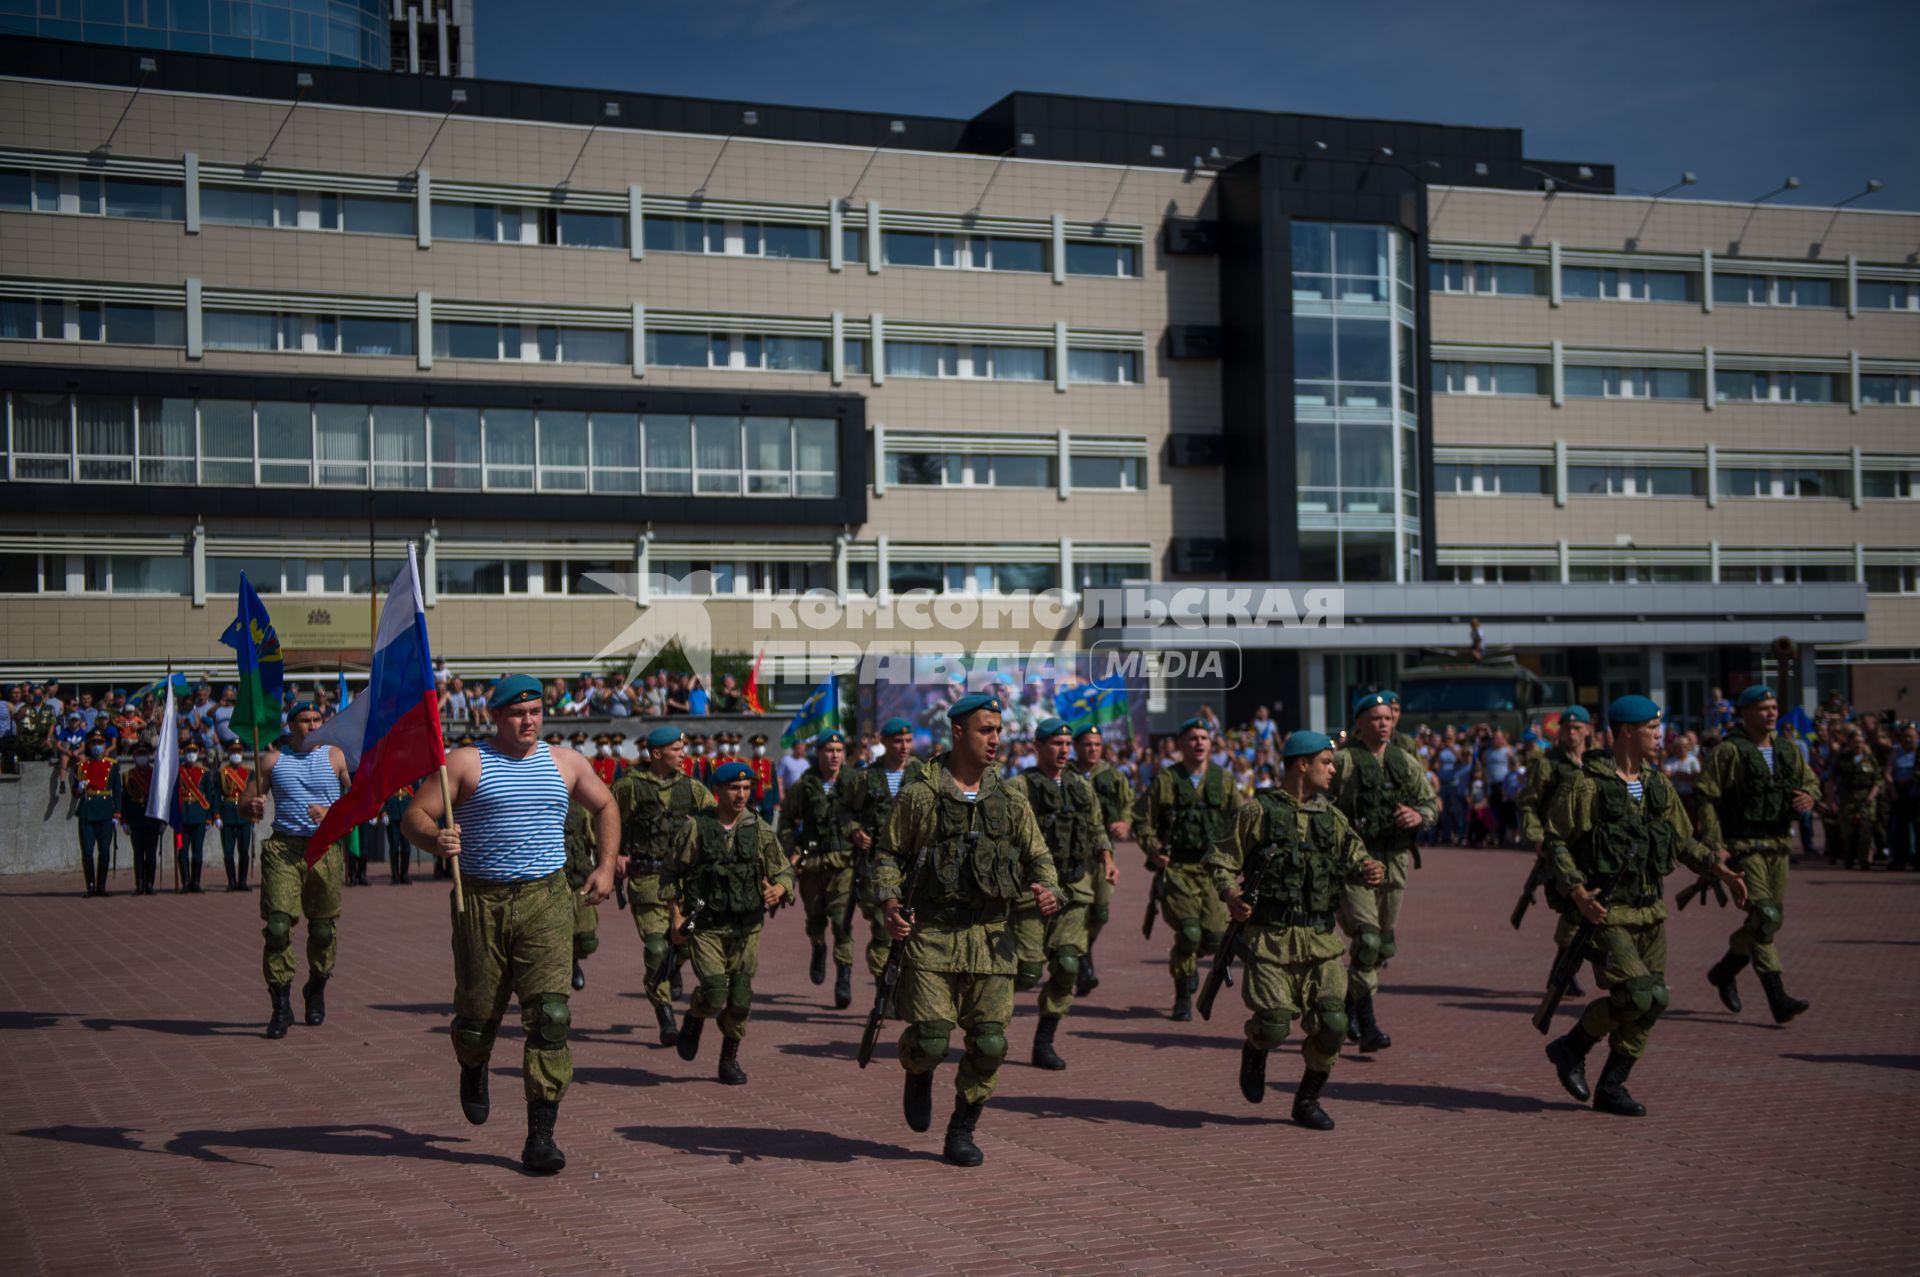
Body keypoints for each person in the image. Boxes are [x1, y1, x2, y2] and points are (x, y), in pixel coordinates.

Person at [402, 674, 618, 1175]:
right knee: (478, 1017)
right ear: (495, 716)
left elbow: (606, 804)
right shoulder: (465, 763)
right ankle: (473, 1064)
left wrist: (605, 865)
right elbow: (414, 814)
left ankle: (540, 1137)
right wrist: (436, 839)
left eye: (536, 712)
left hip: (546, 900)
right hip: (482, 902)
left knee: (551, 1018)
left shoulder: (566, 762)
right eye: (518, 713)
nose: (529, 721)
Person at [877, 694, 1061, 1166]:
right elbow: (888, 856)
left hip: (993, 937)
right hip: (932, 935)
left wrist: (1048, 889)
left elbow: (1038, 855)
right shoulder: (920, 795)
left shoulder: (1011, 799)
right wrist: (891, 903)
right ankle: (918, 1068)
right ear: (958, 732)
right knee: (934, 1036)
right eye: (985, 729)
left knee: (990, 1043)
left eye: (998, 729)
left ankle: (961, 1129)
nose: (995, 738)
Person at [1541, 695, 1747, 1117]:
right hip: (1608, 911)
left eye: (1660, 727)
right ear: (1626, 732)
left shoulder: (1658, 785)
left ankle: (1611, 1084)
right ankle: (1574, 1045)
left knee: (1655, 1001)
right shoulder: (1586, 784)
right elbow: (1556, 841)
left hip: (1651, 910)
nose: (1660, 735)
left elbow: (1682, 840)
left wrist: (1717, 868)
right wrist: (1578, 891)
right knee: (1638, 993)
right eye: (1652, 728)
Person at [1210, 729, 1384, 1128]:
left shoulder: (1333, 818)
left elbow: (1359, 859)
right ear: (1302, 764)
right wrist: (1229, 893)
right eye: (1326, 762)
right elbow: (1221, 857)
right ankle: (1255, 1048)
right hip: (1271, 939)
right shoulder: (1259, 813)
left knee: (1335, 1024)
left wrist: (1371, 870)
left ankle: (1306, 1100)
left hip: (1321, 941)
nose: (1332, 770)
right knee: (1273, 1024)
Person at [663, 761, 794, 1083]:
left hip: (746, 926)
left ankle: (728, 1058)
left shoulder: (759, 828)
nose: (741, 795)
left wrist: (779, 888)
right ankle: (696, 1014)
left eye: (747, 788)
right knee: (714, 989)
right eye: (734, 788)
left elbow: (783, 870)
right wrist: (675, 917)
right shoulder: (696, 828)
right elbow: (670, 874)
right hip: (705, 924)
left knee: (740, 997)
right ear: (717, 791)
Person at [1697, 684, 1821, 1024]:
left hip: (1778, 848)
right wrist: (1714, 844)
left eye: (1773, 706)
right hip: (1744, 847)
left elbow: (1811, 783)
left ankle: (1725, 970)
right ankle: (1777, 998)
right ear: (1746, 712)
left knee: (1767, 920)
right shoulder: (1729, 752)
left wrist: (1810, 797)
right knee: (1765, 916)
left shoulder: (1789, 751)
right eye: (1763, 707)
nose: (1771, 712)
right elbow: (1707, 797)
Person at [1330, 691, 1436, 1052]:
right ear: (1359, 723)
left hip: (1394, 861)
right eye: (1375, 718)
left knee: (1383, 946)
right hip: (1357, 865)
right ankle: (1369, 1022)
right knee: (1369, 939)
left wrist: (1420, 816)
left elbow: (1429, 801)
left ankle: (1348, 1004)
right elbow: (1319, 804)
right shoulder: (1343, 762)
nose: (1383, 723)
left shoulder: (1404, 761)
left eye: (1388, 718)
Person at [242, 702, 352, 1039]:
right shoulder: (273, 760)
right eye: (305, 720)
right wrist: (253, 805)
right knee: (277, 927)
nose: (313, 725)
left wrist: (331, 811)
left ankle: (316, 985)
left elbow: (357, 800)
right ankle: (280, 1003)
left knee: (322, 930)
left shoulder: (336, 756)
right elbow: (245, 803)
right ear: (290, 725)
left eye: (317, 719)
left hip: (325, 850)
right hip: (284, 849)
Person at [1014, 718, 1115, 1071]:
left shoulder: (1080, 787)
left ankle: (1044, 1041)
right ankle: (983, 1013)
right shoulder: (1019, 787)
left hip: (1073, 888)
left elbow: (1097, 826)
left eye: (1067, 744)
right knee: (1027, 973)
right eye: (1056, 743)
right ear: (1038, 746)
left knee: (1068, 965)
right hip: (1032, 892)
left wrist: (1107, 858)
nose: (1063, 750)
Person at [611, 724, 716, 1046]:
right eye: (676, 750)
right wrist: (614, 853)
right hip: (648, 880)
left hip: (686, 883)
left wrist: (700, 828)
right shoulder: (631, 785)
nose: (683, 755)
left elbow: (718, 817)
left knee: (681, 944)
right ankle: (665, 1013)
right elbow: (607, 817)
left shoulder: (692, 788)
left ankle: (677, 963)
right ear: (656, 754)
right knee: (657, 949)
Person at [1136, 718, 1241, 1021]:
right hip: (1179, 867)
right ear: (1180, 744)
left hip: (1213, 869)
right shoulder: (1167, 779)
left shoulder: (1224, 780)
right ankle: (1182, 994)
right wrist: (1152, 848)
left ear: (1211, 743)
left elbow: (1239, 823)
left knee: (1214, 936)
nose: (1199, 743)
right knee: (1190, 931)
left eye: (1204, 738)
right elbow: (1142, 819)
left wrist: (1238, 861)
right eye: (1192, 738)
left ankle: (1189, 964)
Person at [842, 718, 927, 994]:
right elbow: (844, 811)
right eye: (897, 741)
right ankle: (883, 987)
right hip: (878, 866)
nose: (903, 747)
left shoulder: (923, 774)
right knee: (882, 929)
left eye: (908, 741)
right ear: (885, 743)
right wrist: (855, 830)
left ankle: (903, 985)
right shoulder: (866, 777)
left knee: (914, 931)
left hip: (915, 867)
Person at [780, 730, 860, 1008]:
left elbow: (868, 816)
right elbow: (787, 819)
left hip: (844, 863)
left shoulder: (854, 781)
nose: (835, 755)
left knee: (841, 921)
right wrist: (791, 850)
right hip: (812, 862)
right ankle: (818, 947)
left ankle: (844, 975)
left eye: (839, 750)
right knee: (815, 917)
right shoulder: (805, 784)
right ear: (819, 753)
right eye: (829, 750)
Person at [1517, 707, 1593, 996]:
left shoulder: (1599, 761)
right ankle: (1561, 973)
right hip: (1562, 848)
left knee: (1594, 910)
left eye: (1577, 728)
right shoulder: (1548, 764)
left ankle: (1563, 972)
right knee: (1576, 908)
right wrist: (1536, 836)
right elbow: (1528, 803)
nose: (1571, 733)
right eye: (1566, 728)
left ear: (1588, 729)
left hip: (1593, 847)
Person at [1070, 724, 1133, 996]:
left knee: (1100, 912)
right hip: (1072, 855)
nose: (1092, 749)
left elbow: (1128, 805)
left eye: (1096, 744)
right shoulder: (1065, 775)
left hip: (1103, 855)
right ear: (1076, 747)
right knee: (1078, 911)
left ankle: (1085, 951)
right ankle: (1083, 965)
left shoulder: (1113, 776)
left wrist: (1125, 823)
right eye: (1087, 744)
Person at [74, 729, 121, 897]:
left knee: (104, 851)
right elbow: (75, 792)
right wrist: (78, 789)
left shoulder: (112, 765)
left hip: (106, 811)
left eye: (99, 743)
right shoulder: (81, 766)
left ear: (105, 744)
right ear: (88, 745)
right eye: (93, 743)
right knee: (87, 852)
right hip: (87, 811)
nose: (97, 746)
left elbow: (117, 791)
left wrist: (117, 814)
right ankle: (90, 886)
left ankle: (102, 886)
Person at [1828, 727, 1881, 870]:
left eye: (1860, 742)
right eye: (1855, 742)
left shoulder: (1870, 760)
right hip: (1847, 800)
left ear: (1864, 743)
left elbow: (1878, 780)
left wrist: (1871, 796)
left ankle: (1865, 861)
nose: (1858, 744)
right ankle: (1849, 859)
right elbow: (1832, 780)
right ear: (1849, 743)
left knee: (1866, 831)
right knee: (1847, 833)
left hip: (1865, 800)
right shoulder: (1842, 759)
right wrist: (1832, 800)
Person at [120, 741, 167, 896]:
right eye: (139, 755)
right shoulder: (128, 775)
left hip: (152, 818)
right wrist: (124, 821)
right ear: (134, 757)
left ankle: (150, 883)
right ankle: (139, 883)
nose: (142, 758)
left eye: (144, 755)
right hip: (135, 818)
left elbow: (161, 799)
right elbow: (124, 800)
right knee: (138, 854)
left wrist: (163, 820)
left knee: (152, 854)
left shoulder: (156, 775)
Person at [563, 799, 598, 991]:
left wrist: (604, 869)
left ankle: (572, 961)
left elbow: (595, 837)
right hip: (549, 882)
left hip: (578, 878)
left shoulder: (580, 805)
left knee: (587, 940)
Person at [175, 739, 213, 893]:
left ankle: (196, 882)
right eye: (188, 752)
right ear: (183, 753)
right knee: (181, 850)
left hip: (199, 818)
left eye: (194, 752)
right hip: (181, 820)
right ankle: (185, 882)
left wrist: (209, 816)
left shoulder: (204, 773)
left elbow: (209, 796)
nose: (191, 755)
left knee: (197, 851)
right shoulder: (177, 772)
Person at [218, 744, 254, 891]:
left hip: (245, 814)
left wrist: (255, 815)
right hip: (227, 814)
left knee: (244, 850)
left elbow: (254, 794)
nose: (235, 754)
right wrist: (216, 815)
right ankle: (231, 882)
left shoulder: (250, 773)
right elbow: (216, 795)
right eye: (233, 751)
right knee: (228, 850)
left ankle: (243, 881)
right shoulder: (222, 773)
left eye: (238, 752)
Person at [383, 784, 415, 884]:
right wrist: (383, 811)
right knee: (394, 846)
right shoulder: (387, 779)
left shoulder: (410, 778)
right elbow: (381, 796)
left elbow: (416, 794)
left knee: (406, 847)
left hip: (406, 814)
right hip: (392, 814)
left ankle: (404, 874)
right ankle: (395, 876)